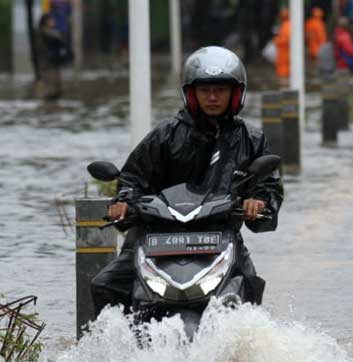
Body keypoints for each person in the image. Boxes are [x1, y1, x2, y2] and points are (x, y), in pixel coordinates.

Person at [90, 46, 284, 316]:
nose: (213, 97)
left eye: (220, 90)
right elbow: (133, 177)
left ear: (235, 93)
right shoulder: (166, 134)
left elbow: (268, 184)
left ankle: (242, 354)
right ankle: (108, 351)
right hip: (156, 235)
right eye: (205, 90)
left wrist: (259, 201)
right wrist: (123, 201)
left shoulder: (251, 139)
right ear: (191, 93)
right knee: (105, 285)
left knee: (250, 286)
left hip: (219, 234)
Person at [37, 13, 68, 101]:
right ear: (46, 21)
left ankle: (53, 107)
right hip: (47, 63)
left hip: (54, 62)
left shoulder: (50, 30)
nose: (53, 22)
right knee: (50, 89)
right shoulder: (44, 30)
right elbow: (57, 36)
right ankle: (47, 107)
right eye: (51, 20)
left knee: (58, 88)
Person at [274, 8, 291, 81]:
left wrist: (276, 40)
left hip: (284, 57)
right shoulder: (287, 25)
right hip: (285, 56)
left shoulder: (286, 26)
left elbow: (287, 40)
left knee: (283, 77)